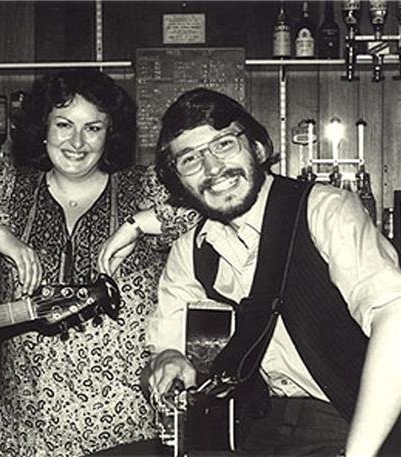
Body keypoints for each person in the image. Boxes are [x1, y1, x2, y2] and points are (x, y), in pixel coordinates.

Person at [0, 69, 197, 456]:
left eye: (93, 128)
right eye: (64, 124)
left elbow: (211, 205)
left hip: (127, 431)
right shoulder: (8, 188)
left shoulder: (143, 187)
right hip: (24, 436)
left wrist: (138, 224)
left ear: (110, 135)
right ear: (43, 128)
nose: (77, 142)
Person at [97, 88, 401, 456]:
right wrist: (168, 359)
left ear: (257, 148)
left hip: (352, 419)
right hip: (260, 425)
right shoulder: (190, 250)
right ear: (178, 181)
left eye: (223, 144)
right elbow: (166, 346)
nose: (212, 169)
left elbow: (393, 314)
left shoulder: (325, 209)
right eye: (190, 159)